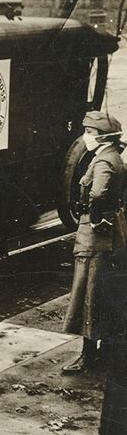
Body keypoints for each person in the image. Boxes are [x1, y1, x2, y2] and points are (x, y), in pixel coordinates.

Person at [62, 111, 127, 374]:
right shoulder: (115, 158)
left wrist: (94, 213)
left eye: (90, 132)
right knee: (101, 294)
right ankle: (98, 352)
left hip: (94, 238)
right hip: (110, 235)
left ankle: (88, 357)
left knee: (89, 294)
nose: (86, 137)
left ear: (102, 137)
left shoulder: (103, 162)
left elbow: (98, 193)